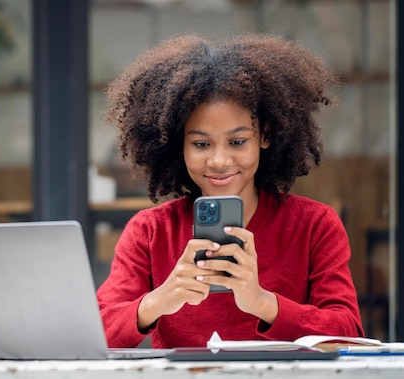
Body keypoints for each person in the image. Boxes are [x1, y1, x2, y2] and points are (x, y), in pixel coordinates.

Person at [96, 33, 365, 349]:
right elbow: (97, 330)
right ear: (177, 145)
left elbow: (348, 333)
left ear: (265, 135)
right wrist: (158, 301)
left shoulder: (314, 225)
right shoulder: (150, 231)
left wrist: (262, 302)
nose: (220, 161)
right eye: (201, 144)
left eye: (237, 142)